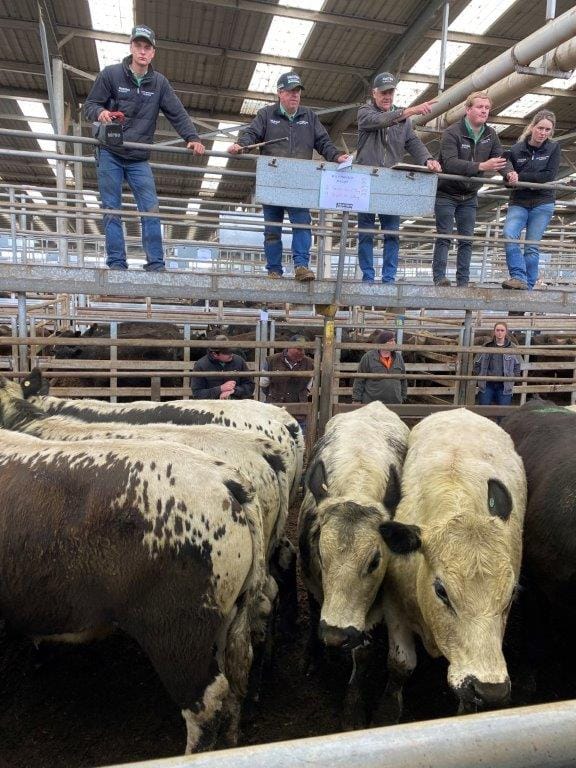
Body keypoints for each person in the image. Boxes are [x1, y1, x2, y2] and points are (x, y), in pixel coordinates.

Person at [84, 25, 205, 272]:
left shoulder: (159, 83)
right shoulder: (111, 75)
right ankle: (117, 264)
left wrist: (192, 137)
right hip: (110, 152)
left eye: (147, 47)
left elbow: (177, 113)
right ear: (131, 47)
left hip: (139, 157)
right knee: (111, 208)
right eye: (138, 46)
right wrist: (101, 112)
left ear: (153, 53)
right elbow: (90, 105)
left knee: (150, 209)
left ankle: (156, 264)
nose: (142, 51)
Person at [227, 72, 350, 282]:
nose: (295, 95)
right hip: (273, 180)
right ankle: (274, 270)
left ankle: (302, 266)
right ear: (280, 93)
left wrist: (337, 155)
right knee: (272, 229)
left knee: (302, 224)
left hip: (299, 182)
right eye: (291, 91)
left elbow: (323, 142)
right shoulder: (266, 115)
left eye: (298, 91)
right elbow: (251, 134)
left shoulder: (309, 117)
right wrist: (242, 145)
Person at [355, 72, 442, 284]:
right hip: (366, 180)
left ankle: (389, 279)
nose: (387, 96)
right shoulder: (365, 112)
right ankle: (368, 277)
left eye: (391, 92)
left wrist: (427, 159)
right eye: (383, 92)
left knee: (392, 232)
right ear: (374, 93)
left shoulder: (404, 121)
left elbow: (412, 142)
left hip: (391, 183)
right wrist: (409, 111)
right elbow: (379, 121)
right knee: (366, 232)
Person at [432, 92, 515, 287]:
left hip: (469, 195)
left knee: (466, 239)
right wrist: (481, 166)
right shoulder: (452, 133)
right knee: (444, 236)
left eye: (487, 108)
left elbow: (500, 160)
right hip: (446, 192)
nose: (484, 111)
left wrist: (509, 173)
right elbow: (450, 163)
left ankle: (463, 281)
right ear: (468, 109)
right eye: (479, 107)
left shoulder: (490, 134)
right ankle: (439, 279)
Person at [501, 110, 560, 291]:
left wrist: (521, 177)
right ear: (532, 127)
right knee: (510, 234)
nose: (543, 133)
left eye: (547, 130)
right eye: (540, 128)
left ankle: (528, 290)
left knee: (531, 246)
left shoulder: (553, 147)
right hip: (519, 200)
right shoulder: (517, 149)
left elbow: (549, 175)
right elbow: (507, 176)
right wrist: (512, 178)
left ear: (551, 131)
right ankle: (518, 276)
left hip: (543, 202)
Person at [261, 334, 314, 430]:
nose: (302, 352)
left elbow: (308, 386)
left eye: (303, 349)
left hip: (298, 411)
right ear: (289, 347)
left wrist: (301, 396)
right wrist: (274, 395)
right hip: (275, 408)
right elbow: (264, 384)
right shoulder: (272, 360)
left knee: (298, 440)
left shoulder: (309, 363)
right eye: (299, 349)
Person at [472, 322, 521, 406]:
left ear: (506, 332)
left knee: (502, 411)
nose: (500, 332)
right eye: (497, 330)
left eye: (502, 330)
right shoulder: (486, 346)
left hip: (504, 385)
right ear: (494, 332)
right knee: (483, 408)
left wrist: (513, 378)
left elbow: (518, 365)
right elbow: (476, 362)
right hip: (487, 384)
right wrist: (480, 375)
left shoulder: (512, 348)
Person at [352, 330, 406, 405]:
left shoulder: (398, 357)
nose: (394, 343)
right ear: (382, 343)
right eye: (390, 341)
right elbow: (359, 379)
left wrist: (403, 397)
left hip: (394, 402)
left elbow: (403, 379)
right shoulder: (369, 357)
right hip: (372, 404)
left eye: (394, 340)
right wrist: (356, 399)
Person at [192, 335, 254, 400]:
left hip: (236, 405)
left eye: (231, 351)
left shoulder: (239, 361)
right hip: (211, 406)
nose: (231, 354)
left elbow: (250, 386)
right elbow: (197, 394)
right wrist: (220, 389)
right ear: (215, 354)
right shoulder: (200, 365)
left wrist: (234, 391)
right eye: (227, 353)